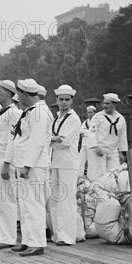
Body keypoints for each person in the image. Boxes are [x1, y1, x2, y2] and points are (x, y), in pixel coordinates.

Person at [6, 79, 53, 256]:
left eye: (20, 95)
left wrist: (27, 165)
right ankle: (27, 240)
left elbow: (37, 141)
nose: (18, 99)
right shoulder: (30, 112)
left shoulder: (40, 113)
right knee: (25, 205)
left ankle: (37, 242)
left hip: (33, 166)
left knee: (33, 204)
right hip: (23, 163)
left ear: (26, 94)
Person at [0, 80, 21, 249]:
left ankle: (8, 237)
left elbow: (12, 139)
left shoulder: (14, 113)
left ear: (8, 93)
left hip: (4, 159)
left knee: (7, 199)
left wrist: (7, 163)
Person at [48, 85, 82, 246]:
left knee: (67, 200)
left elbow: (64, 141)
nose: (63, 102)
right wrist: (53, 139)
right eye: (61, 99)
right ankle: (57, 233)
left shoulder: (74, 118)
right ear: (56, 100)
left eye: (66, 100)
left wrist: (50, 141)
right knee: (55, 199)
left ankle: (68, 236)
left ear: (71, 101)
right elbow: (54, 138)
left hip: (68, 163)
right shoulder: (56, 118)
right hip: (55, 162)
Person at [86, 93, 128, 180]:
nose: (104, 105)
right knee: (99, 175)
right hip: (99, 149)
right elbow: (91, 133)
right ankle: (97, 191)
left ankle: (110, 192)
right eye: (104, 103)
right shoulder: (98, 117)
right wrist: (96, 146)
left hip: (113, 150)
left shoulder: (120, 118)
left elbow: (122, 137)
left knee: (114, 174)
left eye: (107, 104)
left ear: (114, 104)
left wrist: (121, 152)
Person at [78, 106, 97, 176]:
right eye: (88, 112)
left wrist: (85, 133)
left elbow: (95, 132)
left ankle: (91, 177)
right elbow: (80, 130)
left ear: (94, 113)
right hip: (84, 144)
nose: (89, 114)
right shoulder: (85, 122)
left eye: (91, 112)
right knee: (80, 160)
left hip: (92, 144)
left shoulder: (97, 122)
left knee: (91, 161)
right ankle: (79, 175)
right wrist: (89, 132)